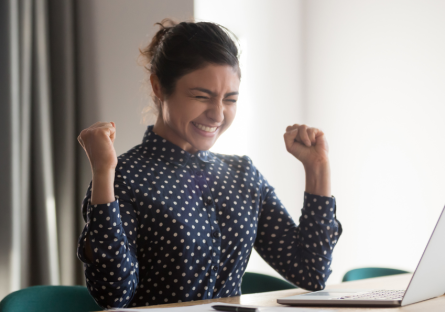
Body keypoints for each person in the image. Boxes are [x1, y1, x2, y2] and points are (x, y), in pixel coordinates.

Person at [76, 19, 342, 309]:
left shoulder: (243, 175)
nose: (217, 115)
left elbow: (311, 272)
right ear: (159, 87)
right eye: (201, 96)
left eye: (230, 99)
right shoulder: (123, 177)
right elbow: (113, 295)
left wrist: (318, 168)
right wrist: (103, 172)